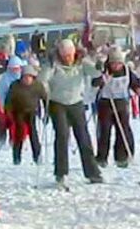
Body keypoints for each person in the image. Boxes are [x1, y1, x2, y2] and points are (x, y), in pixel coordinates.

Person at [39, 39, 103, 187]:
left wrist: (99, 65)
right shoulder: (54, 63)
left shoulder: (81, 62)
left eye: (70, 55)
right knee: (62, 136)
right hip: (57, 103)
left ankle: (93, 172)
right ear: (60, 54)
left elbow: (95, 73)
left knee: (83, 137)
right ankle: (61, 173)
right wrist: (48, 66)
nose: (68, 58)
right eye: (65, 55)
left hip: (76, 102)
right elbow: (42, 79)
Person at [92, 48, 140, 168]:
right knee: (105, 131)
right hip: (106, 104)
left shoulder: (126, 70)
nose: (116, 66)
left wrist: (138, 88)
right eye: (114, 63)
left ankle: (121, 157)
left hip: (122, 103)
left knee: (123, 130)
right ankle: (101, 158)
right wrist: (102, 80)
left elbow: (134, 82)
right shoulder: (104, 70)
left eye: (119, 63)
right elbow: (94, 83)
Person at [6, 65, 47, 165]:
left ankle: (37, 156)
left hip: (32, 111)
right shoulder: (15, 85)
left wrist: (47, 111)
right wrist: (8, 113)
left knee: (33, 133)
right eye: (25, 77)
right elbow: (9, 101)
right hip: (19, 111)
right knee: (19, 134)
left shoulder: (38, 85)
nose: (27, 79)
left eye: (29, 77)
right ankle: (16, 157)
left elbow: (45, 98)